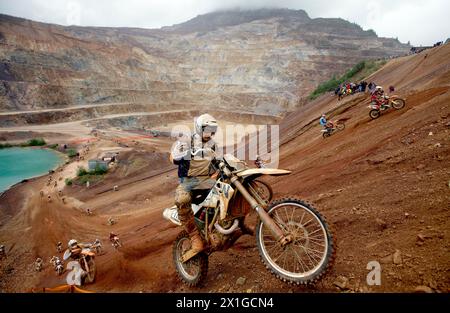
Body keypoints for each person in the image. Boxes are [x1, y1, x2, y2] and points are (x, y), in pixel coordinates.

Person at [170, 114, 219, 262]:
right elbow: (172, 158)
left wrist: (218, 171)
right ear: (199, 127)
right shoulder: (186, 141)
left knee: (228, 188)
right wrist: (186, 154)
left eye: (212, 130)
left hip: (207, 179)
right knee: (182, 199)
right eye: (207, 129)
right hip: (189, 181)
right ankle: (194, 236)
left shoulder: (213, 144)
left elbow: (216, 162)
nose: (209, 133)